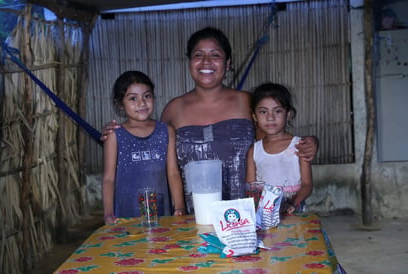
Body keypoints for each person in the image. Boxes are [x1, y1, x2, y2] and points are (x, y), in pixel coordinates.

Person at [101, 27, 318, 214]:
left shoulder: (247, 102)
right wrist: (119, 132)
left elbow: (274, 142)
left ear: (228, 62)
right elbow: (150, 141)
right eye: (198, 55)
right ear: (189, 63)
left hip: (246, 214)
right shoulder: (174, 109)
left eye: (215, 55)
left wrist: (310, 142)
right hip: (191, 217)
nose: (206, 62)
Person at [101, 70, 185, 224]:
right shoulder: (115, 135)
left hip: (161, 215)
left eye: (147, 96)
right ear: (120, 104)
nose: (141, 103)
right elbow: (108, 179)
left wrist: (179, 206)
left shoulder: (166, 131)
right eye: (133, 98)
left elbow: (173, 172)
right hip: (125, 216)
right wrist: (108, 213)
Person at [246, 82, 313, 214]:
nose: (270, 117)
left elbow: (307, 184)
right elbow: (251, 188)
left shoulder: (299, 145)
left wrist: (293, 203)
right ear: (254, 117)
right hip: (265, 213)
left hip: (294, 210)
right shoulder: (254, 150)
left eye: (277, 111)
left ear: (288, 115)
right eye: (263, 111)